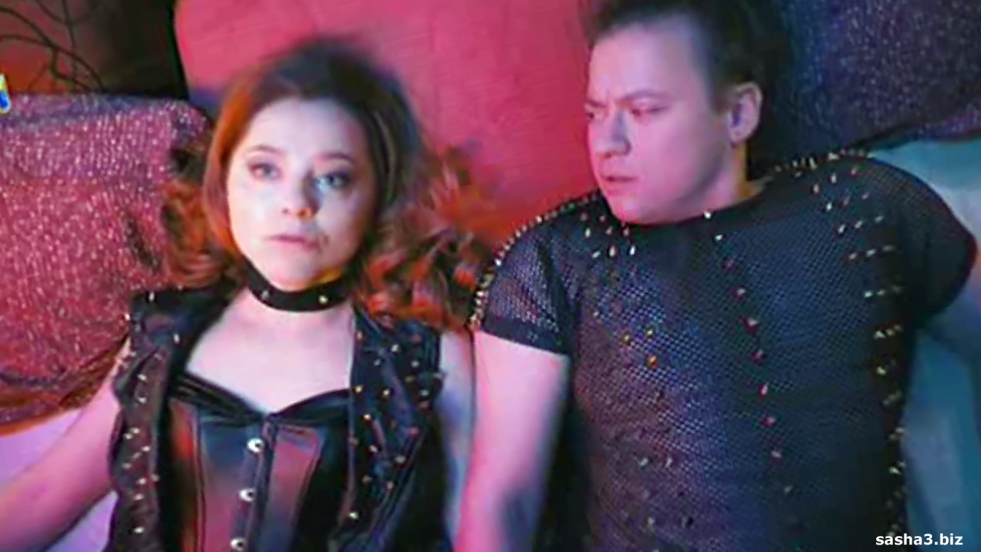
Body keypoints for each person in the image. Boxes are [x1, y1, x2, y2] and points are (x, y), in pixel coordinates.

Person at [456, 0, 981, 551]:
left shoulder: (865, 205)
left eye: (643, 111)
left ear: (737, 114)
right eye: (595, 113)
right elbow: (504, 504)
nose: (607, 142)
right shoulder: (554, 261)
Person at [0, 38, 488, 552]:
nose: (295, 203)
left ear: (380, 197)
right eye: (264, 170)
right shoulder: (165, 332)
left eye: (333, 178)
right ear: (224, 181)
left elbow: (478, 530)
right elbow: (47, 493)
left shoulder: (427, 353)